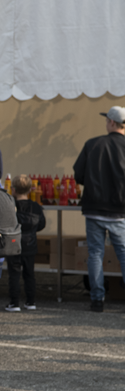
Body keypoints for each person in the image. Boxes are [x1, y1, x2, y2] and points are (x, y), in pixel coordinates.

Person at [73, 105, 125, 313]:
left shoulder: (93, 144)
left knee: (95, 253)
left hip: (94, 207)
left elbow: (78, 174)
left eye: (106, 120)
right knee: (123, 252)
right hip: (120, 210)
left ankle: (97, 299)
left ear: (112, 122)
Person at [5, 175, 45, 312]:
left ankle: (14, 303)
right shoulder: (36, 207)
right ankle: (31, 301)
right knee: (29, 274)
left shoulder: (11, 206)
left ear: (13, 189)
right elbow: (41, 224)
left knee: (14, 274)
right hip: (30, 244)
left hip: (14, 244)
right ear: (29, 189)